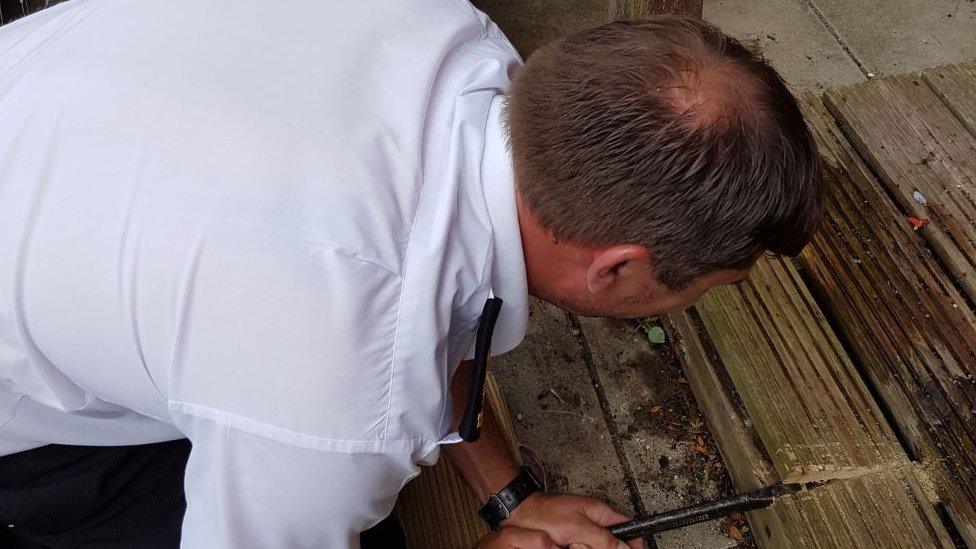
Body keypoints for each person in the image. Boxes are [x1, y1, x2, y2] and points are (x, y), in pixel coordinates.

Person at [0, 0, 822, 547]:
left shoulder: (450, 31)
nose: (687, 308)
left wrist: (511, 497)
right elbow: (379, 341)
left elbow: (437, 279)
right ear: (617, 266)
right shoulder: (336, 383)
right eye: (700, 290)